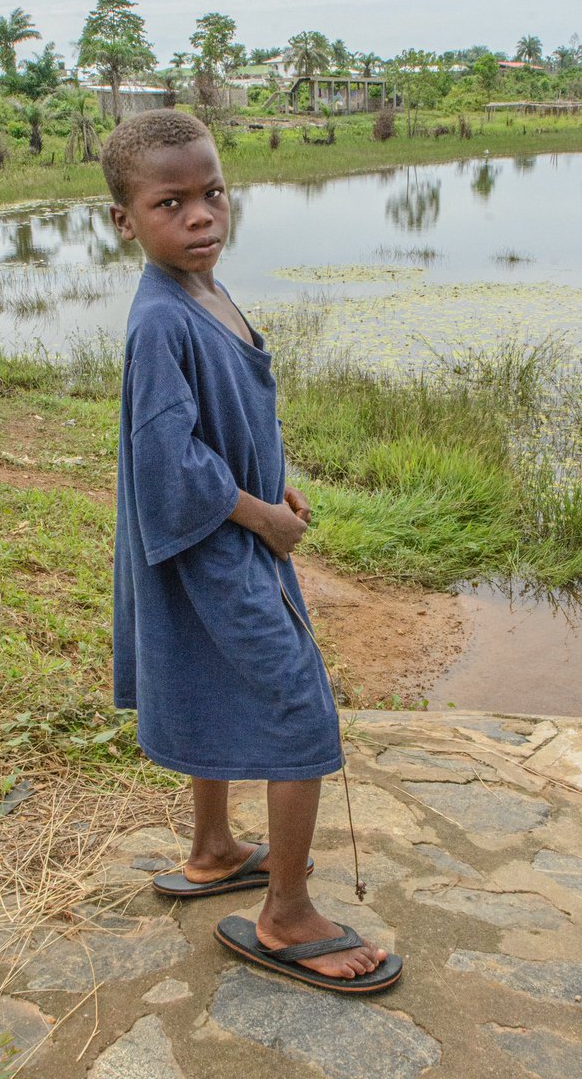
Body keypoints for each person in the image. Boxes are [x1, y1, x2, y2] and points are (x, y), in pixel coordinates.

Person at [104, 110, 402, 994]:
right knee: (297, 709)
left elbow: (231, 421)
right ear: (124, 220)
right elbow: (169, 464)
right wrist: (260, 519)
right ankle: (285, 917)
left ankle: (212, 848)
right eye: (171, 204)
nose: (201, 218)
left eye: (213, 194)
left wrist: (282, 483)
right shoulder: (160, 319)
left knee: (208, 673)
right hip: (213, 542)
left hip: (233, 526)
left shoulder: (207, 290)